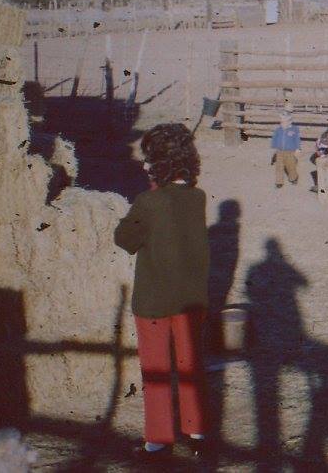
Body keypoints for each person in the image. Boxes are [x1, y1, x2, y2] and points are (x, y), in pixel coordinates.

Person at [113, 123, 209, 459]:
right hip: (191, 299)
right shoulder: (198, 198)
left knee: (155, 371)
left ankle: (158, 440)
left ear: (161, 163)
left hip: (153, 302)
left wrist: (149, 194)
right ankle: (196, 431)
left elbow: (125, 240)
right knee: (189, 364)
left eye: (148, 159)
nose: (143, 164)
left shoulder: (147, 202)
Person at [271, 108, 301, 188]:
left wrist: (298, 149)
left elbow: (297, 140)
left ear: (290, 121)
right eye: (281, 121)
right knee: (279, 166)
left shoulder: (294, 130)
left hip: (290, 151)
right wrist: (275, 148)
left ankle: (293, 177)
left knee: (291, 166)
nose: (282, 123)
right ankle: (279, 182)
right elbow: (275, 138)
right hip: (280, 151)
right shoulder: (278, 130)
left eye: (284, 121)